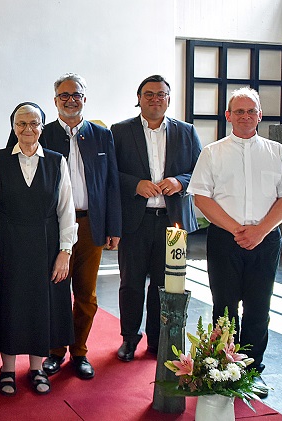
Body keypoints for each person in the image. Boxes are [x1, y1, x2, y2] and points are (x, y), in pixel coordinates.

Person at [187, 87, 282, 398]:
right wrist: (239, 229)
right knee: (224, 306)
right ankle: (222, 365)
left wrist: (260, 230)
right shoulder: (213, 152)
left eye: (251, 111)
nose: (246, 116)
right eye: (239, 111)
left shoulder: (276, 152)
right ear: (228, 116)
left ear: (260, 115)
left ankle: (252, 370)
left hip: (265, 238)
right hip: (225, 238)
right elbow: (200, 197)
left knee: (258, 307)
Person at [110, 75, 201, 361]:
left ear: (168, 99)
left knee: (165, 285)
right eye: (148, 94)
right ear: (139, 99)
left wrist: (181, 181)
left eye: (161, 94)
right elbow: (110, 173)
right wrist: (135, 184)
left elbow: (201, 171)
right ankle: (128, 338)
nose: (155, 99)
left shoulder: (186, 131)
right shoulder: (120, 131)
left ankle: (157, 339)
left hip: (172, 223)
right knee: (131, 283)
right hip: (135, 220)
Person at [0, 102, 77, 396]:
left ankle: (37, 368)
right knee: (11, 304)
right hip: (10, 243)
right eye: (21, 124)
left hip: (47, 243)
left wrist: (65, 251)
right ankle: (8, 369)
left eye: (34, 123)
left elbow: (66, 210)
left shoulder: (56, 161)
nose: (28, 129)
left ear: (42, 125)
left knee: (43, 305)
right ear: (13, 127)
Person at [41, 74, 122, 380]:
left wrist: (114, 226)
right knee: (56, 291)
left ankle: (80, 351)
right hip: (54, 228)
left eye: (76, 95)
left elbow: (112, 183)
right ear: (55, 100)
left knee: (86, 293)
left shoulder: (102, 135)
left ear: (84, 99)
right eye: (64, 95)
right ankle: (55, 351)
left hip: (90, 225)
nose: (70, 99)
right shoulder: (43, 134)